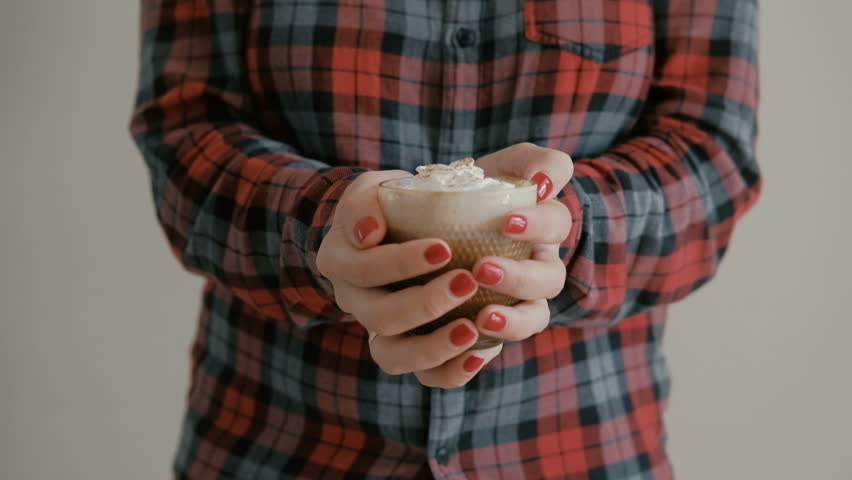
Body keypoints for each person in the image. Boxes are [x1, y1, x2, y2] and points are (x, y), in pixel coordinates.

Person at [130, 0, 760, 478]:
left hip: (582, 444)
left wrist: (564, 230)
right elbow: (184, 127)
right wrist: (323, 226)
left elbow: (712, 152)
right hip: (278, 444)